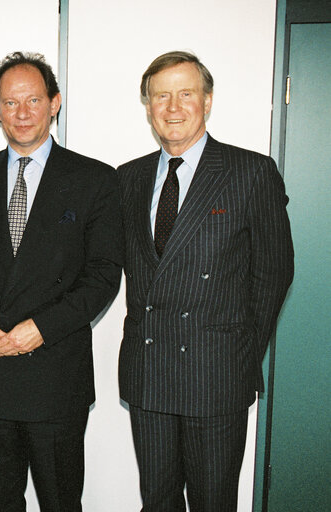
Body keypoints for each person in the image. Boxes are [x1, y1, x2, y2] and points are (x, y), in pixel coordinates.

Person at [0, 51, 123, 512]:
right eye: (10, 102)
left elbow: (103, 276)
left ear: (54, 103)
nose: (22, 113)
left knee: (61, 503)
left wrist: (41, 328)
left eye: (33, 100)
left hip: (56, 379)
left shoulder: (94, 179)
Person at [117, 51, 294, 511]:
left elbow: (274, 273)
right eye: (161, 96)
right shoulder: (128, 178)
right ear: (148, 106)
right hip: (149, 371)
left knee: (213, 502)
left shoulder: (250, 172)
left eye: (186, 94)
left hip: (216, 376)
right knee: (157, 501)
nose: (173, 107)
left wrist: (237, 352)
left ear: (208, 101)